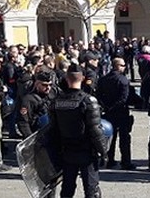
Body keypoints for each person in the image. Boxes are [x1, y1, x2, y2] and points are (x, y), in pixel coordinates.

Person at [49, 63, 108, 198]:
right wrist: (103, 151)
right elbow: (95, 130)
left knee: (67, 189)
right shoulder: (88, 101)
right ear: (82, 78)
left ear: (67, 79)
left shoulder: (56, 101)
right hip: (86, 151)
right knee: (91, 190)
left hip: (66, 151)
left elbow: (53, 129)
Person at [95, 58, 135, 170]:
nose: (124, 67)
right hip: (121, 112)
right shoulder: (123, 80)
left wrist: (106, 107)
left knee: (109, 137)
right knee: (124, 138)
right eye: (122, 65)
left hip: (108, 112)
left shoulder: (103, 79)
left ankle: (109, 159)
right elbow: (124, 98)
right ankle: (126, 162)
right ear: (117, 66)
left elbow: (98, 95)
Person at [17, 72, 57, 139]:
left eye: (50, 85)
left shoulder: (53, 94)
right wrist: (30, 138)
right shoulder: (29, 99)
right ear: (37, 84)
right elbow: (23, 121)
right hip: (37, 134)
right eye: (44, 85)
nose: (48, 88)